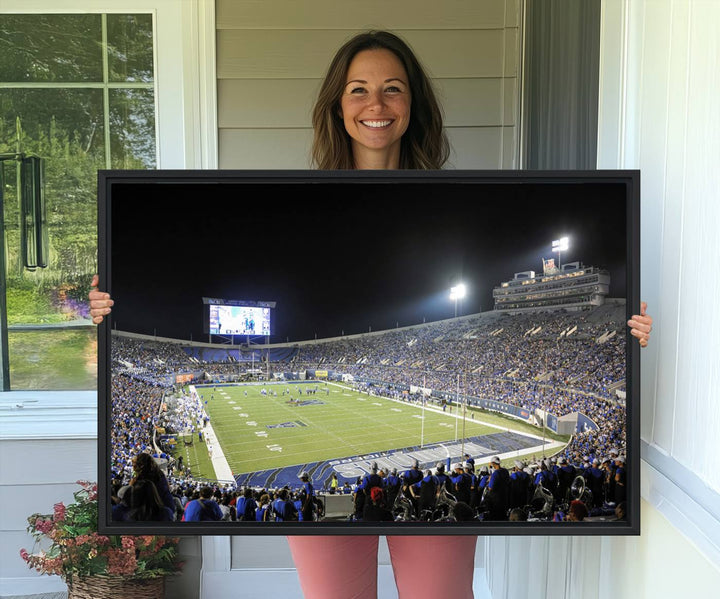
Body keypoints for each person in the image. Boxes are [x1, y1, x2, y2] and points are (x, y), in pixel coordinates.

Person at [90, 28, 653, 599]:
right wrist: (101, 314)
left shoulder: (446, 199)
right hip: (335, 509)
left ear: (414, 105)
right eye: (358, 89)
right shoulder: (303, 196)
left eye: (393, 89)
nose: (375, 105)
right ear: (337, 105)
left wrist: (629, 335)